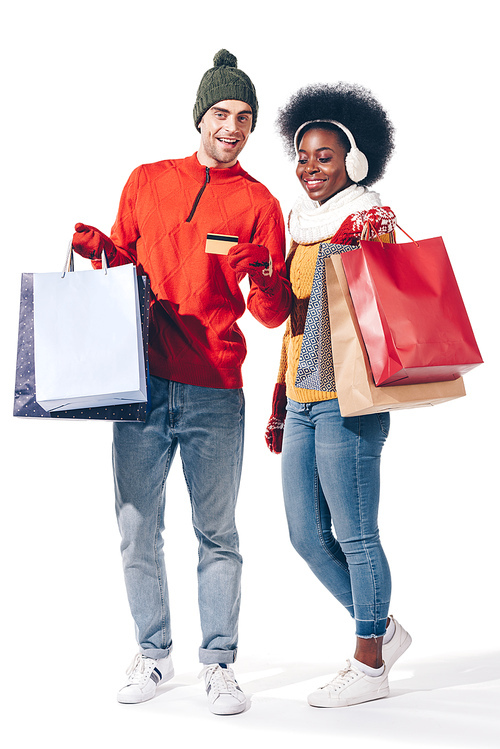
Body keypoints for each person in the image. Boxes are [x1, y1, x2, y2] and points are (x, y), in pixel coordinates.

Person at [72, 49, 291, 716]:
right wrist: (103, 252)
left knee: (217, 531)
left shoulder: (259, 202)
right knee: (137, 526)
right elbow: (125, 275)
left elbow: (272, 313)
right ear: (201, 116)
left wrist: (265, 276)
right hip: (140, 384)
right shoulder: (147, 180)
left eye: (245, 116)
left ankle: (219, 663)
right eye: (222, 112)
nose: (233, 126)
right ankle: (155, 653)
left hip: (216, 386)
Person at [265, 82, 411, 708]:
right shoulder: (299, 227)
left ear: (352, 162)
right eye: (302, 157)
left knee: (355, 534)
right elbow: (291, 324)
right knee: (305, 534)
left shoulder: (368, 218)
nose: (310, 169)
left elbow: (384, 304)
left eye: (324, 157)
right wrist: (279, 396)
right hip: (301, 395)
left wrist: (364, 238)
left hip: (351, 398)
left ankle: (369, 662)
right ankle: (380, 623)